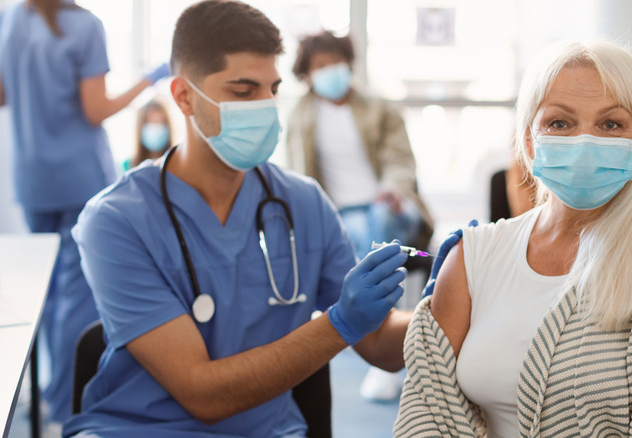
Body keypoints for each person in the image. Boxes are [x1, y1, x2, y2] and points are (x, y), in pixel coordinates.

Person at [62, 2, 412, 436]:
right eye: (243, 92)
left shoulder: (303, 204)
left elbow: (380, 344)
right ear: (184, 96)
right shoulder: (115, 220)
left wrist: (447, 300)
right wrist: (339, 324)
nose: (265, 106)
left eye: (273, 89)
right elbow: (202, 394)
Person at [394, 39, 632, 437]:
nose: (584, 142)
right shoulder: (474, 253)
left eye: (611, 124)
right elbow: (427, 409)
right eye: (560, 123)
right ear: (530, 141)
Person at [0, 0, 169, 423]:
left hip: (32, 179)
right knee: (77, 299)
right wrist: (150, 78)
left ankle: (44, 395)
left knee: (44, 297)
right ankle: (62, 404)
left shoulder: (10, 20)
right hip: (79, 177)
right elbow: (95, 110)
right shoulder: (85, 25)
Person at [286, 30, 434, 402]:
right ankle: (392, 341)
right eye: (320, 66)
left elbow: (402, 161)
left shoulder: (378, 108)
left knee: (380, 225)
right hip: (343, 212)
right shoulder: (300, 116)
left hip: (391, 204)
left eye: (336, 62)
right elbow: (299, 177)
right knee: (353, 233)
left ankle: (387, 342)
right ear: (307, 73)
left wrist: (394, 190)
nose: (331, 70)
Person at [123, 98, 174, 171]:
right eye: (151, 123)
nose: (156, 129)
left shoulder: (176, 163)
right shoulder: (127, 165)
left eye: (160, 122)